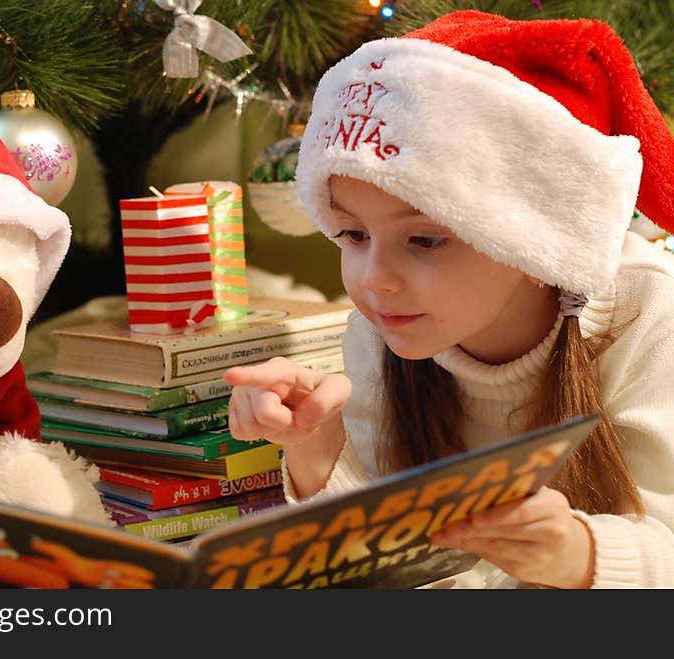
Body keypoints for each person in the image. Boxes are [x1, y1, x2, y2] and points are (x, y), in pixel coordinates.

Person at [224, 10, 674, 588]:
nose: (374, 278)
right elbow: (397, 567)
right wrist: (316, 450)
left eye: (426, 240)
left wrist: (577, 556)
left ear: (537, 238)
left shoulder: (649, 314)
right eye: (353, 234)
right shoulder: (386, 329)